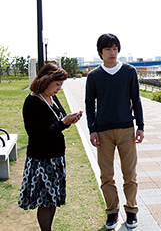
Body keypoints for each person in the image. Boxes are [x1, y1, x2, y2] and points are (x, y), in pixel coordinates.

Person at [85, 33, 144, 230]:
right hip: (103, 133)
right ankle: (112, 212)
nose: (112, 52)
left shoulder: (129, 72)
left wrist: (141, 127)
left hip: (127, 129)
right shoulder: (94, 76)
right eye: (108, 49)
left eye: (115, 48)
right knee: (106, 175)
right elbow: (89, 104)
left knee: (130, 173)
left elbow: (136, 100)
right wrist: (92, 129)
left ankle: (131, 211)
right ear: (100, 52)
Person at [18, 63, 83, 231]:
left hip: (56, 157)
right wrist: (63, 122)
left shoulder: (52, 98)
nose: (59, 88)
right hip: (42, 160)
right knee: (45, 201)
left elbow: (58, 122)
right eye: (57, 84)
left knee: (53, 199)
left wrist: (70, 120)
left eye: (61, 85)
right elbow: (39, 135)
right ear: (46, 80)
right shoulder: (32, 102)